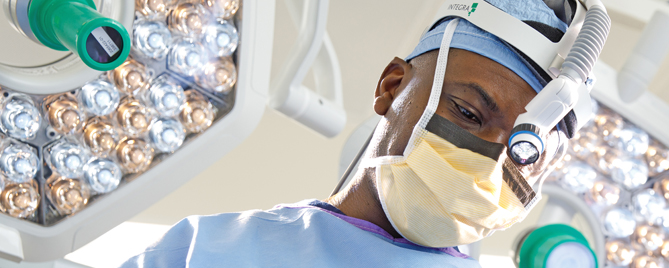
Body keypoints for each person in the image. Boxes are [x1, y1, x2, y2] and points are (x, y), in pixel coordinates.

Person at [121, 0, 583, 266]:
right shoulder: (205, 251)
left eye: (524, 153)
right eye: (466, 112)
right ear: (392, 87)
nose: (484, 164)